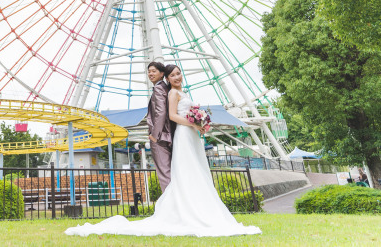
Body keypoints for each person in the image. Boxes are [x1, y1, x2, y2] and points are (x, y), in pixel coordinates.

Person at [65, 64, 261, 237]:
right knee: (185, 170)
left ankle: (196, 206)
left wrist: (199, 124)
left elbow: (172, 114)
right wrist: (192, 124)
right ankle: (182, 209)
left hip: (191, 135)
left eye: (178, 73)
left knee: (196, 171)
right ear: (167, 78)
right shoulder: (171, 93)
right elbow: (171, 115)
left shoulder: (176, 92)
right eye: (173, 75)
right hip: (184, 134)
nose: (177, 77)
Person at [145, 60, 174, 191]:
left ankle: (170, 205)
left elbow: (160, 112)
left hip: (160, 136)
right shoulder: (166, 88)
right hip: (169, 134)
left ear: (162, 73)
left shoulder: (158, 88)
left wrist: (154, 135)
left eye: (154, 71)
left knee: (164, 172)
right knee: (171, 171)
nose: (150, 74)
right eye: (149, 71)